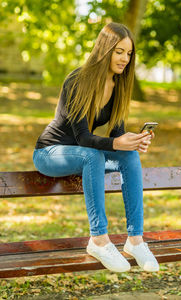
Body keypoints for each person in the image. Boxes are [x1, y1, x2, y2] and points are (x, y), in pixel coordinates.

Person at [33, 22, 159, 273]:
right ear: (105, 49)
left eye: (129, 53)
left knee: (130, 157)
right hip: (50, 153)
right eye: (119, 51)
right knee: (92, 155)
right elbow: (82, 138)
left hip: (84, 155)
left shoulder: (119, 85)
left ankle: (135, 240)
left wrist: (133, 141)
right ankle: (99, 240)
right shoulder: (77, 80)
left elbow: (117, 135)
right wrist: (115, 143)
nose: (125, 58)